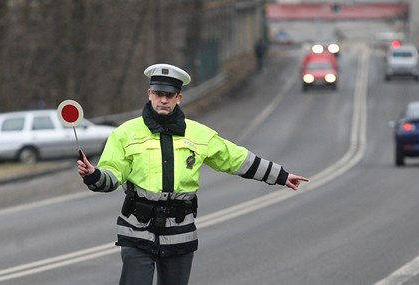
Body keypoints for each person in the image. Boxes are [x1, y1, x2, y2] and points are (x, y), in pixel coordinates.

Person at [77, 63, 309, 285]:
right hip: (137, 229)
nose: (164, 100)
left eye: (170, 95)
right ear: (149, 94)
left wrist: (280, 175)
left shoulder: (199, 134)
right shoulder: (125, 133)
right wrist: (94, 175)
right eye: (158, 93)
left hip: (180, 232)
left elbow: (236, 159)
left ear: (179, 97)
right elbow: (111, 174)